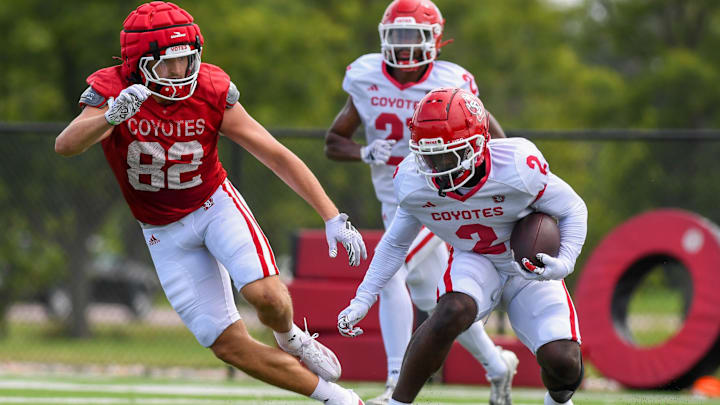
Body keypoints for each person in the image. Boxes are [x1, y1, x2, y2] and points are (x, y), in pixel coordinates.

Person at [55, 2, 368, 404]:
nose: (182, 72)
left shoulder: (209, 88)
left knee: (267, 297)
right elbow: (65, 145)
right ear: (137, 63)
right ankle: (339, 399)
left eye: (188, 60)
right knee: (227, 346)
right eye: (169, 65)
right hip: (161, 232)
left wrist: (330, 215)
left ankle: (291, 337)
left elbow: (273, 152)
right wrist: (110, 117)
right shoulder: (113, 90)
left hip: (213, 205)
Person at [337, 88, 587, 405]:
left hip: (527, 266)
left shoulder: (517, 166)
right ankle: (398, 402)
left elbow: (573, 209)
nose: (436, 167)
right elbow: (395, 244)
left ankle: (558, 401)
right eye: (427, 156)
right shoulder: (413, 180)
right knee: (451, 310)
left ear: (478, 145)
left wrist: (565, 260)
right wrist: (363, 298)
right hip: (476, 259)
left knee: (563, 361)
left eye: (446, 155)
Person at [325, 1, 516, 404]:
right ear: (383, 37)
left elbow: (493, 139)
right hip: (393, 201)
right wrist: (362, 153)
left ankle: (396, 382)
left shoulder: (452, 80)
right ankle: (498, 366)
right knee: (431, 298)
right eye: (398, 35)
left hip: (437, 197)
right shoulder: (365, 74)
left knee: (390, 271)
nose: (406, 45)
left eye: (415, 35)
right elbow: (334, 141)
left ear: (436, 40)